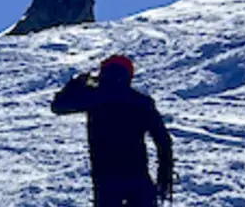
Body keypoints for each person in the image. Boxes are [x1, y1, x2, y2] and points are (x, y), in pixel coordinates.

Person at [51, 55, 176, 207]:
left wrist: (77, 83)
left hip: (105, 179)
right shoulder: (142, 102)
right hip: (138, 177)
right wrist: (164, 177)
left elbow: (58, 106)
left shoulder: (93, 98)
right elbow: (163, 141)